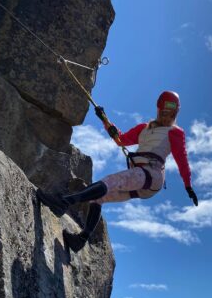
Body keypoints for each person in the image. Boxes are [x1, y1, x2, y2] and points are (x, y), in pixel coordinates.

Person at [37, 91, 198, 253]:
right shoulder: (144, 128)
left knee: (109, 181)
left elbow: (182, 159)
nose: (167, 118)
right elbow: (121, 140)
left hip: (151, 175)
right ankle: (80, 240)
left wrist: (188, 186)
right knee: (98, 198)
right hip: (140, 176)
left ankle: (63, 202)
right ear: (158, 110)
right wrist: (105, 120)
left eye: (172, 115)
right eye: (165, 113)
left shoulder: (176, 132)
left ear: (176, 113)